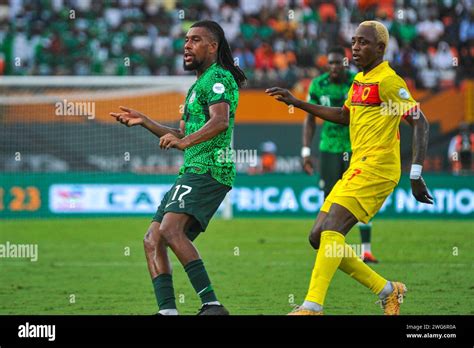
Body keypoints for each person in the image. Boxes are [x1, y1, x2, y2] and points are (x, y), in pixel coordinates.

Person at [266, 20, 433, 315]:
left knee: (332, 230)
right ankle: (387, 290)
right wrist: (297, 102)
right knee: (318, 236)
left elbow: (420, 121)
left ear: (381, 48)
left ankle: (312, 307)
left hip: (379, 167)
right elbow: (344, 116)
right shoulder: (359, 81)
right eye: (354, 41)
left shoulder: (389, 82)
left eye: (364, 43)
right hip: (358, 165)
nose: (355, 48)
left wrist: (416, 173)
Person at [110, 20, 246, 315]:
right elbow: (181, 136)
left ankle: (212, 305)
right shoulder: (196, 87)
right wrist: (145, 121)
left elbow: (220, 121)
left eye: (195, 40)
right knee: (152, 239)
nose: (187, 45)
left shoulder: (219, 78)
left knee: (171, 230)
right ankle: (167, 311)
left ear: (213, 46)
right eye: (186, 40)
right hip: (192, 168)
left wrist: (185, 144)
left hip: (210, 169)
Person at [302, 46, 379, 263]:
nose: (335, 67)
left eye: (339, 62)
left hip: (355, 147)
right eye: (332, 63)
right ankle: (333, 247)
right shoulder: (318, 84)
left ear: (346, 63)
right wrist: (306, 150)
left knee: (360, 196)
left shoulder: (357, 82)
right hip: (329, 148)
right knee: (330, 197)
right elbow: (309, 118)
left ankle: (366, 249)